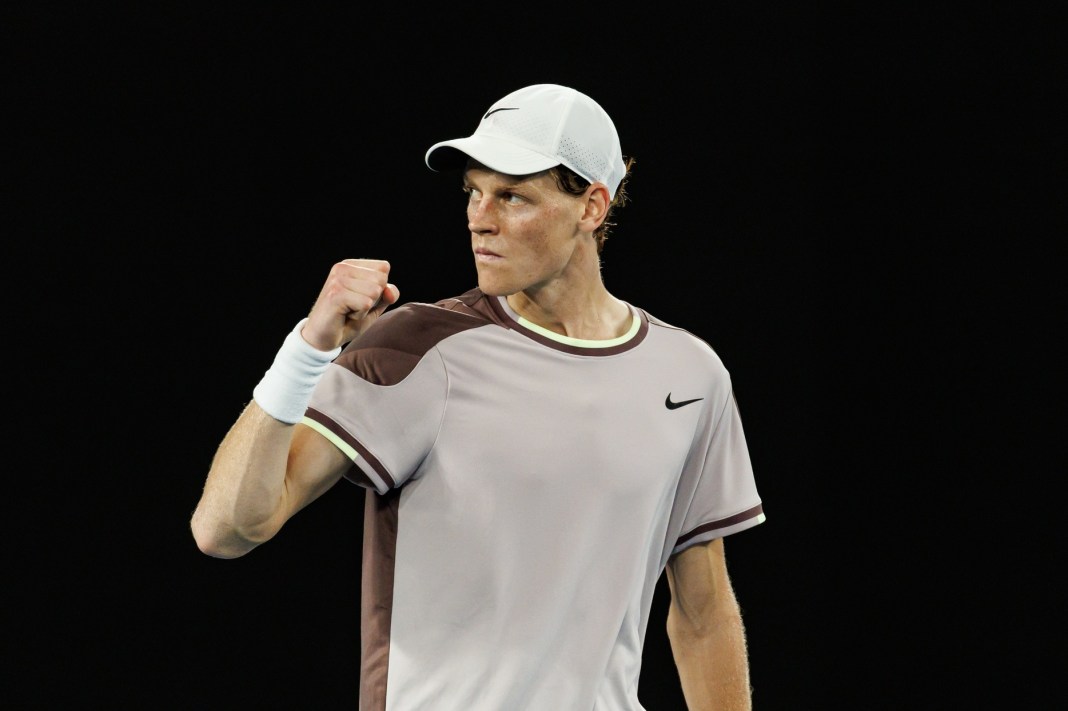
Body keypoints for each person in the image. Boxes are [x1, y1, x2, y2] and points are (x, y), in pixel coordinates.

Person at [191, 83, 766, 710]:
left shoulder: (689, 374)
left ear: (591, 207)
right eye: (474, 191)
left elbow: (704, 613)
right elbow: (227, 528)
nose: (479, 218)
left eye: (512, 195)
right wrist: (307, 350)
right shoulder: (415, 346)